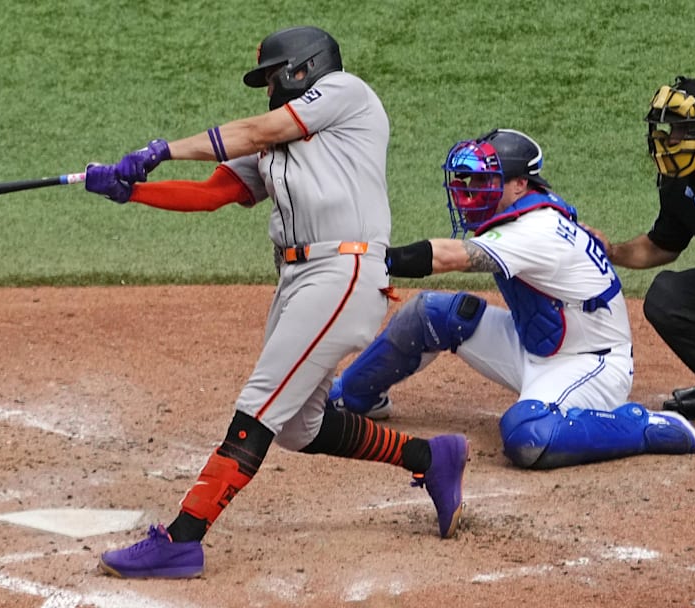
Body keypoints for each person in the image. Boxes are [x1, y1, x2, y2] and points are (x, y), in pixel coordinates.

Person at [83, 25, 467, 580]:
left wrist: (159, 151)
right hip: (298, 280)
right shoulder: (273, 148)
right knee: (298, 427)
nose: (267, 91)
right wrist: (130, 190)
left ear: (301, 69)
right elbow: (214, 192)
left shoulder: (346, 94)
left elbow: (261, 127)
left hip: (343, 269)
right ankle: (433, 458)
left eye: (270, 79)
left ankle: (182, 539)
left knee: (260, 405)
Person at [326, 128, 695, 470]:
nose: (471, 190)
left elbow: (449, 257)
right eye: (470, 179)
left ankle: (641, 427)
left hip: (591, 364)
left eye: (486, 180)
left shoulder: (536, 229)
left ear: (520, 184)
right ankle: (353, 397)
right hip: (534, 346)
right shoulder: (520, 213)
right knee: (429, 314)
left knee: (528, 436)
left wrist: (377, 258)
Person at [585, 76, 695, 420]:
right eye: (670, 128)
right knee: (668, 298)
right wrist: (611, 251)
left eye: (684, 129)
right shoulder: (680, 181)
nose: (670, 139)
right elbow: (662, 245)